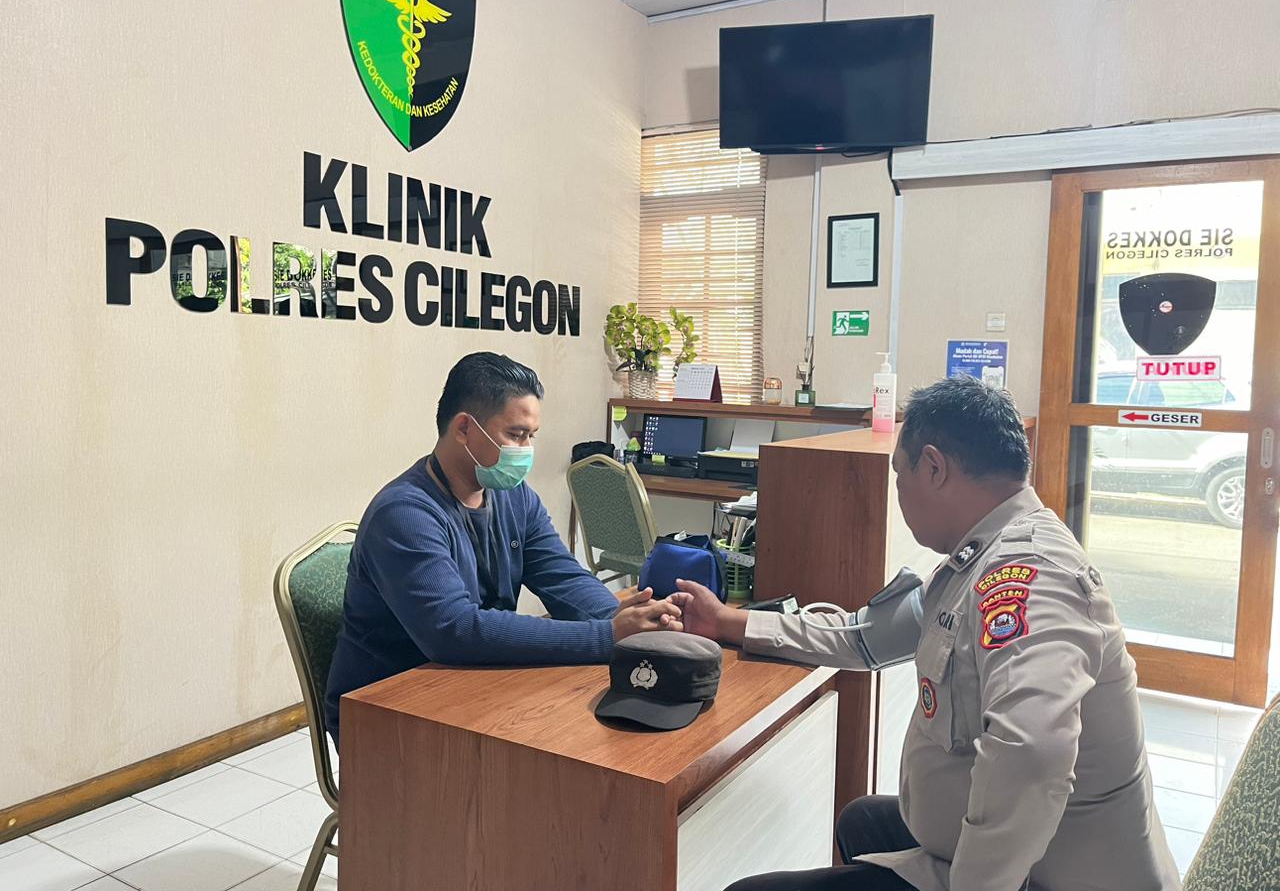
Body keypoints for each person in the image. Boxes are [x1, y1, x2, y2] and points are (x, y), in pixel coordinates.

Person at [672, 376, 1181, 891]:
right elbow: (864, 637)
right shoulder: (976, 559)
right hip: (1018, 850)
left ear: (934, 468)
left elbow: (1033, 754)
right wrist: (727, 622)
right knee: (862, 821)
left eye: (900, 473)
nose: (898, 491)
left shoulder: (1030, 576)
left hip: (1041, 876)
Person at [324, 352, 681, 744]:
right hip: (386, 714)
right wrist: (605, 637)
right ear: (464, 428)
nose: (526, 449)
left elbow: (562, 576)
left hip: (471, 686)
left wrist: (623, 618)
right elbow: (454, 630)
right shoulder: (404, 514)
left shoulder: (515, 496)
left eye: (531, 436)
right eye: (515, 434)